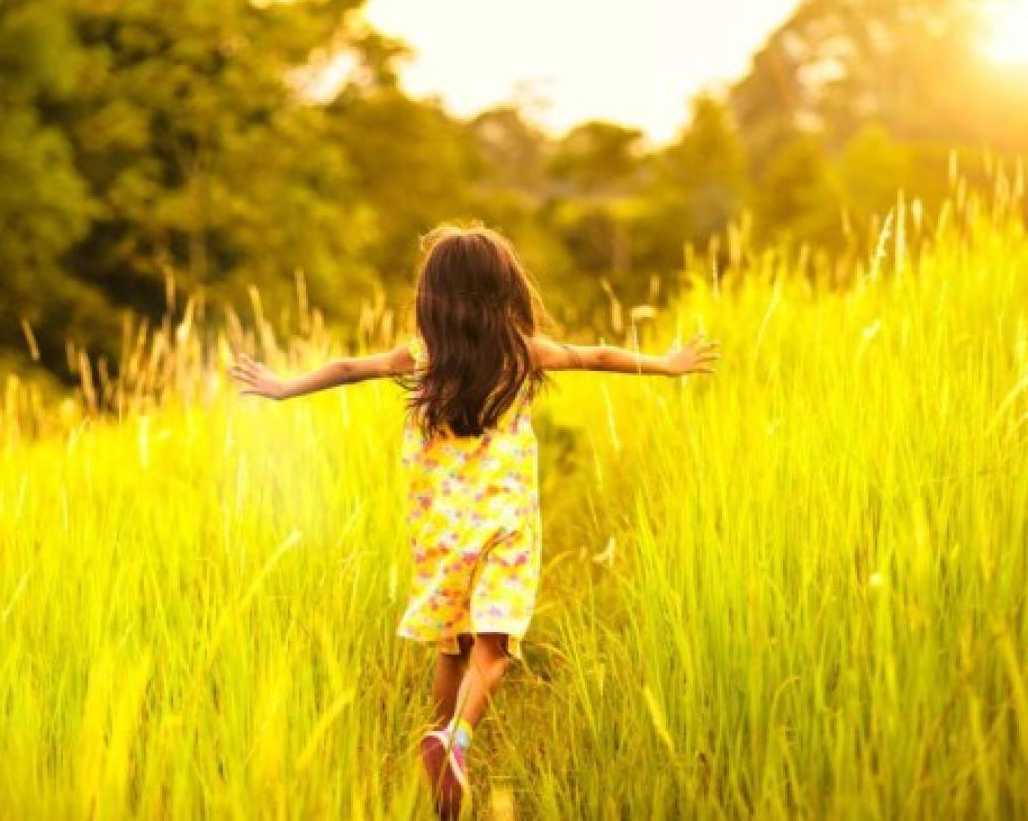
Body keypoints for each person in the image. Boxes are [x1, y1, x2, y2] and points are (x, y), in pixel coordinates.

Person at [231, 222, 719, 819]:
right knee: (496, 644)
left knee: (453, 642)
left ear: (432, 297)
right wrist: (667, 365)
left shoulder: (423, 356)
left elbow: (346, 367)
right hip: (504, 523)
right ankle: (454, 741)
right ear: (503, 289)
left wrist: (282, 388)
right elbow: (596, 355)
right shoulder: (523, 352)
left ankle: (437, 762)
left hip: (439, 526)